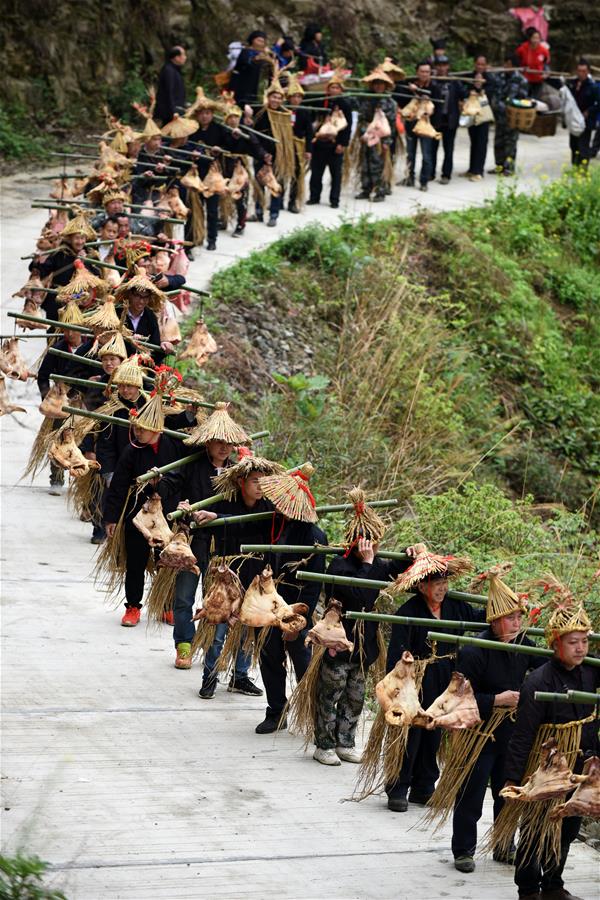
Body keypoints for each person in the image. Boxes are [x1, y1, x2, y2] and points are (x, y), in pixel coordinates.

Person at [312, 489, 424, 766]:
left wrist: (410, 555)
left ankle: (345, 742)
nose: (373, 547)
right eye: (370, 542)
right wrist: (369, 563)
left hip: (364, 648)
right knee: (330, 696)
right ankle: (323, 745)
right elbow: (361, 596)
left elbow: (394, 570)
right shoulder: (339, 566)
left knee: (355, 697)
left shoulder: (373, 563)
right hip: (339, 642)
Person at [503, 587, 598, 900]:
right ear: (556, 643)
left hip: (579, 767)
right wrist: (514, 778)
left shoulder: (590, 673)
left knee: (567, 827)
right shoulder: (538, 682)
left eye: (585, 641)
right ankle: (529, 889)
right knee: (534, 828)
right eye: (573, 642)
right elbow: (523, 735)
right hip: (545, 767)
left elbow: (591, 721)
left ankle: (553, 885)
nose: (580, 648)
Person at [449, 568, 543, 874]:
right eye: (510, 618)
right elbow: (457, 699)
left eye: (519, 617)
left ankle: (504, 845)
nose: (516, 623)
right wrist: (496, 700)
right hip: (478, 733)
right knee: (471, 793)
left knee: (507, 791)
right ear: (494, 620)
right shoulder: (475, 651)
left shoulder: (523, 643)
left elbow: (546, 667)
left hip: (511, 733)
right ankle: (464, 850)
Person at [385, 549, 485, 812]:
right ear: (421, 586)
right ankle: (398, 786)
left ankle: (424, 786)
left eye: (444, 583)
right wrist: (402, 672)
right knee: (411, 732)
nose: (442, 589)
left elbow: (480, 619)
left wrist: (499, 603)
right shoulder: (409, 611)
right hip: (417, 679)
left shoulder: (456, 607)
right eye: (436, 584)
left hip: (445, 678)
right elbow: (397, 651)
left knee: (434, 730)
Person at [157, 403, 250, 668]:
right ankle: (184, 645)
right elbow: (170, 487)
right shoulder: (190, 465)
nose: (223, 447)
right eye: (218, 442)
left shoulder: (236, 473)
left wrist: (218, 518)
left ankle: (210, 649)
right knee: (184, 597)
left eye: (228, 443)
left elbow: (241, 508)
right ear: (207, 442)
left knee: (217, 600)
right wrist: (176, 502)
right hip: (192, 541)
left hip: (222, 543)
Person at [197, 450, 283, 698]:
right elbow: (216, 520)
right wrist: (208, 516)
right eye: (255, 481)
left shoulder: (269, 508)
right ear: (240, 482)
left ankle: (240, 677)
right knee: (218, 628)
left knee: (247, 630)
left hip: (256, 577)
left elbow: (253, 524)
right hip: (227, 576)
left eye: (264, 481)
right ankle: (209, 676)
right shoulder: (223, 502)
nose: (260, 486)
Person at [103, 372, 184, 626]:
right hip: (138, 514)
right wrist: (112, 517)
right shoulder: (132, 450)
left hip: (167, 512)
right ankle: (133, 607)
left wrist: (165, 487)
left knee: (168, 560)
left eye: (142, 429)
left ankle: (166, 605)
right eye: (136, 427)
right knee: (136, 561)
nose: (136, 432)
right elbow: (118, 486)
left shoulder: (176, 446)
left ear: (156, 429)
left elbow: (184, 476)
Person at [255, 464, 327, 734]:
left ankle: (316, 715)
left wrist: (299, 622)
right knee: (269, 657)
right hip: (268, 604)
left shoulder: (313, 537)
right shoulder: (269, 522)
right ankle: (276, 711)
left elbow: (313, 585)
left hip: (297, 606)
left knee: (304, 663)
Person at [252, 80, 295, 226]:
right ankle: (258, 212)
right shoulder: (260, 113)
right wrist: (262, 153)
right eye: (273, 97)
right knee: (259, 184)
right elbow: (253, 134)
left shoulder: (285, 114)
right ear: (268, 97)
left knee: (275, 185)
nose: (276, 100)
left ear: (282, 99)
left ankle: (274, 215)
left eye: (279, 97)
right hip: (260, 153)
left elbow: (287, 138)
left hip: (279, 156)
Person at [308, 72, 352, 208]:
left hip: (335, 144)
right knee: (316, 172)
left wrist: (342, 144)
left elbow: (348, 126)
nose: (334, 90)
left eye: (337, 88)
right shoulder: (320, 101)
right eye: (332, 88)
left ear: (341, 90)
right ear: (327, 89)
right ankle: (314, 197)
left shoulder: (345, 104)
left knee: (336, 174)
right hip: (320, 143)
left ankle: (334, 200)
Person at [356, 67, 397, 201]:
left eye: (381, 83)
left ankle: (380, 191)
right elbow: (361, 119)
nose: (378, 86)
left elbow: (391, 125)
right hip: (367, 136)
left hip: (381, 138)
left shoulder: (390, 103)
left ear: (385, 85)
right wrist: (363, 133)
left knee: (378, 164)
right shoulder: (366, 99)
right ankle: (366, 189)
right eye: (376, 83)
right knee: (365, 163)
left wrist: (386, 142)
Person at [401, 62, 440, 191]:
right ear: (417, 72)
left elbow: (438, 107)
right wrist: (413, 92)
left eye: (427, 72)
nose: (424, 74)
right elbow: (402, 103)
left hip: (426, 125)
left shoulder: (435, 88)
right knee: (410, 153)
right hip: (411, 124)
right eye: (422, 71)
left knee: (426, 155)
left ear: (430, 73)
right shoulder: (409, 85)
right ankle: (409, 178)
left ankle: (424, 181)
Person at [490, 56, 529, 176]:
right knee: (498, 142)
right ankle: (499, 165)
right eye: (506, 64)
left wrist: (510, 106)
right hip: (499, 116)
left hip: (512, 117)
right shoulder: (499, 77)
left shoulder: (521, 80)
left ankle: (509, 168)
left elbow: (523, 99)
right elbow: (494, 92)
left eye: (509, 64)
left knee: (510, 143)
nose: (506, 67)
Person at [431, 56, 466, 183]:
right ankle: (430, 172)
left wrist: (476, 87)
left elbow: (464, 94)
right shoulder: (433, 81)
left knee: (449, 148)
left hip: (450, 120)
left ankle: (446, 174)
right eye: (439, 65)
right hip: (436, 121)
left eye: (444, 65)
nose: (441, 68)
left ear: (448, 66)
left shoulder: (454, 82)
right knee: (432, 148)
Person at [463, 56, 496, 181]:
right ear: (474, 64)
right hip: (471, 113)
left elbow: (491, 93)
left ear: (486, 65)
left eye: (483, 64)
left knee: (482, 142)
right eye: (478, 64)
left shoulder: (490, 79)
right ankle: (472, 169)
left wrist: (480, 87)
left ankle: (478, 171)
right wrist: (473, 87)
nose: (480, 67)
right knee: (473, 141)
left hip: (483, 115)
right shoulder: (469, 76)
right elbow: (464, 90)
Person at [285, 77, 312, 213]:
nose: (296, 99)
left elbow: (309, 132)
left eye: (298, 97)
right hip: (284, 145)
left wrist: (308, 150)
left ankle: (292, 202)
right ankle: (276, 201)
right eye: (293, 96)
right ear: (288, 98)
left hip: (298, 145)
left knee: (297, 173)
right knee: (281, 173)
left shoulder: (305, 112)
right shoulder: (282, 110)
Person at [567, 59, 599, 166]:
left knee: (583, 146)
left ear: (588, 72)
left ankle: (583, 171)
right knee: (573, 145)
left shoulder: (593, 86)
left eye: (584, 71)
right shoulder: (573, 84)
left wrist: (589, 111)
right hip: (574, 120)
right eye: (579, 71)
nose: (581, 73)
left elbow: (598, 104)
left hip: (586, 122)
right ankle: (575, 167)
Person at [230, 31, 269, 106]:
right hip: (241, 85)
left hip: (254, 85)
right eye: (259, 40)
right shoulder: (246, 51)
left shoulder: (262, 55)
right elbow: (244, 63)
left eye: (263, 41)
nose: (261, 43)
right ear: (252, 40)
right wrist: (255, 59)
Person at [155, 46, 187, 125]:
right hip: (170, 112)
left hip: (176, 109)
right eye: (184, 55)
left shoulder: (174, 70)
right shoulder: (169, 70)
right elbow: (168, 92)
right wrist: (173, 111)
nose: (185, 57)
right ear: (177, 57)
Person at [515, 27, 550, 99]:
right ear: (529, 38)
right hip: (524, 79)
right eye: (534, 38)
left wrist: (546, 73)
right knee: (523, 99)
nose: (536, 40)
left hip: (538, 79)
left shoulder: (544, 51)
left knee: (535, 100)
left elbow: (546, 64)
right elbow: (516, 61)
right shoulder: (522, 48)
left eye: (538, 38)